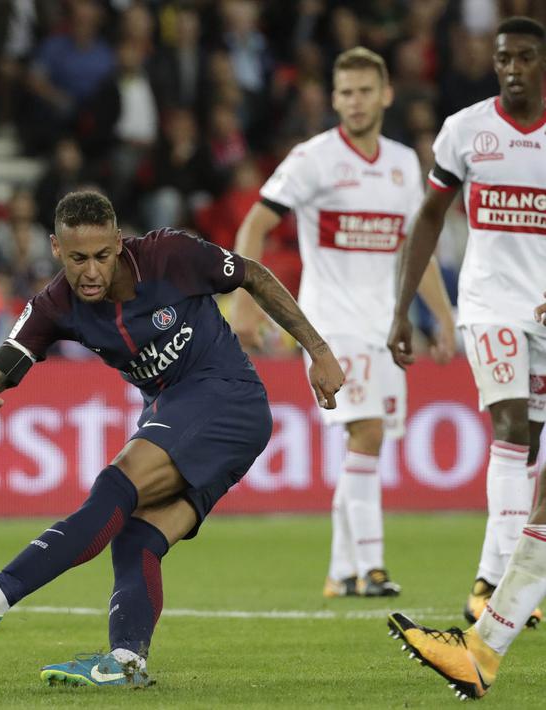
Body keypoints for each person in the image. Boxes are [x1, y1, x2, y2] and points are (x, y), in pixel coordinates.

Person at [0, 190, 344, 687]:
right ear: (55, 248)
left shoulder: (169, 255)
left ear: (119, 243)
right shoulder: (56, 303)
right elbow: (2, 363)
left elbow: (256, 276)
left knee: (117, 483)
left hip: (226, 398)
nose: (90, 271)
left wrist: (318, 351)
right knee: (136, 534)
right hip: (177, 412)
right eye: (77, 259)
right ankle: (126, 662)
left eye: (101, 256)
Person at [230, 47, 456, 599]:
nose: (354, 102)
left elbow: (414, 249)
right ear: (334, 99)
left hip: (385, 328)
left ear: (385, 95)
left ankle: (339, 570)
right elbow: (256, 223)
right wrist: (244, 301)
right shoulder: (313, 158)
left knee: (367, 443)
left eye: (363, 91)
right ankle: (372, 568)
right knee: (368, 431)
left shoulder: (404, 163)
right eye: (344, 92)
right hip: (329, 325)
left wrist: (444, 317)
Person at [386, 16, 546, 700]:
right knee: (515, 430)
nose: (511, 69)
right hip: (493, 305)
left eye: (524, 58)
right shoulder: (464, 130)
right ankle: (486, 626)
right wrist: (403, 310)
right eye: (501, 57)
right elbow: (427, 215)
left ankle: (485, 629)